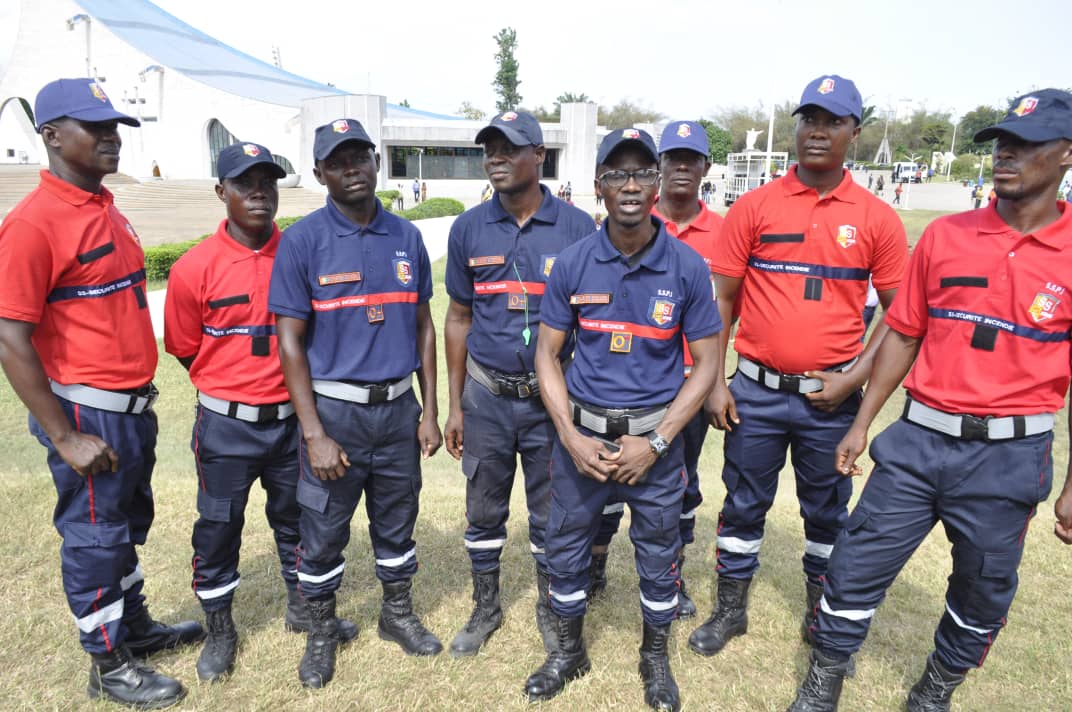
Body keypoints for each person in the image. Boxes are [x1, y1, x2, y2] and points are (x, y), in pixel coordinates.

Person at [788, 88, 1072, 712]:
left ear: (1065, 154)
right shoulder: (946, 235)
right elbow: (904, 334)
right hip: (917, 441)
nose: (1005, 156)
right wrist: (861, 424)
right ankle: (823, 681)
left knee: (983, 589)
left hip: (1010, 455)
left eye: (1025, 145)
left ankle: (935, 690)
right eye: (1000, 143)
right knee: (855, 564)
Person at [687, 75, 908, 661]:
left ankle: (820, 612)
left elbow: (901, 313)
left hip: (829, 400)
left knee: (827, 513)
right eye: (808, 118)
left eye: (832, 120)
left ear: (854, 133)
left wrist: (856, 376)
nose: (817, 130)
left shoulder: (876, 218)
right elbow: (722, 302)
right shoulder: (755, 207)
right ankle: (730, 611)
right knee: (742, 504)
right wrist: (714, 383)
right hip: (754, 392)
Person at [0, 78, 203, 708]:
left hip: (129, 406)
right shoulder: (33, 224)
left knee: (123, 528)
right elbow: (10, 336)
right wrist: (64, 435)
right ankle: (107, 663)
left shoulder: (104, 207)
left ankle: (133, 627)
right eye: (96, 127)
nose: (112, 138)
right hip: (86, 411)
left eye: (115, 126)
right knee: (94, 537)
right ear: (52, 136)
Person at [522, 128, 721, 711]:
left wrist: (657, 443)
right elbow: (546, 354)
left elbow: (708, 363)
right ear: (598, 186)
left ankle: (653, 660)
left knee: (659, 556)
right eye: (616, 175)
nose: (630, 186)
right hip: (582, 440)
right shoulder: (574, 262)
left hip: (653, 446)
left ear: (657, 184)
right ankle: (567, 653)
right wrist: (570, 436)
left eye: (641, 174)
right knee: (566, 549)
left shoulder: (686, 266)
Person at [163, 142, 359, 683]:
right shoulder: (192, 267)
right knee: (219, 526)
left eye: (268, 183)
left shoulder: (299, 251)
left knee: (297, 520)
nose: (258, 194)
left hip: (294, 420)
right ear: (221, 191)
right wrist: (231, 389)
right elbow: (183, 347)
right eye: (245, 184)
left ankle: (302, 608)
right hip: (226, 425)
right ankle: (221, 630)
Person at [268, 118, 443, 689]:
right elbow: (290, 342)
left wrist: (430, 410)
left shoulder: (406, 237)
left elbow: (423, 325)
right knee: (322, 530)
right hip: (335, 415)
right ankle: (320, 633)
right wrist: (314, 432)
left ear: (374, 161)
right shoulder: (302, 241)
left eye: (360, 157)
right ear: (320, 173)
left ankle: (396, 615)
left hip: (397, 411)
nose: (353, 169)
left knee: (398, 521)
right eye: (338, 162)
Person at [443, 110, 595, 658]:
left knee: (551, 511)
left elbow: (592, 322)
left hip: (550, 401)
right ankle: (485, 606)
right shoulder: (468, 228)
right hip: (486, 395)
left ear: (539, 155)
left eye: (508, 148)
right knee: (483, 509)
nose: (496, 158)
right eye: (489, 149)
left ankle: (551, 608)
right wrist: (457, 404)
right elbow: (458, 317)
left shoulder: (578, 228)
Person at [590, 120, 726, 619]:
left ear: (706, 169)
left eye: (693, 159)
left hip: (689, 388)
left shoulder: (721, 233)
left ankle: (673, 576)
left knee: (679, 490)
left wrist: (717, 381)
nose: (682, 167)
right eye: (673, 159)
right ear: (661, 169)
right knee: (605, 489)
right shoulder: (616, 231)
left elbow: (728, 308)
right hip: (630, 384)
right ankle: (595, 567)